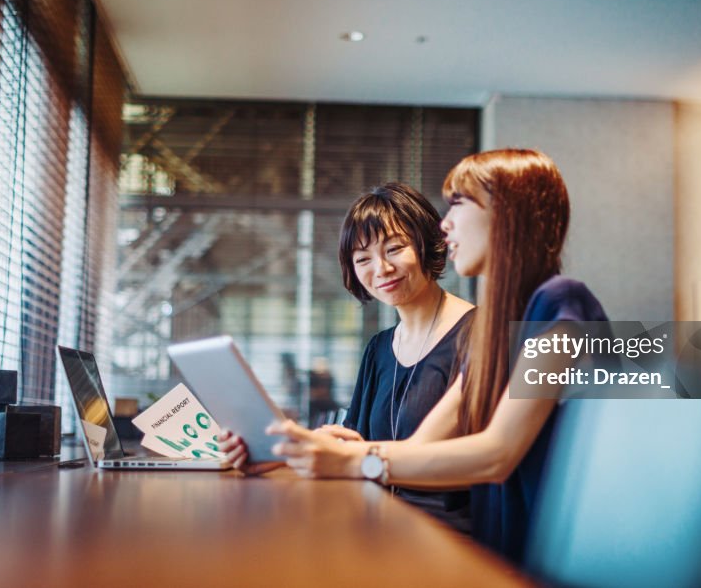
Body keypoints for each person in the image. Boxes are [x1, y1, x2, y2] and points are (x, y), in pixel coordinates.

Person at [221, 149, 609, 563]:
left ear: (508, 212)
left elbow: (497, 455)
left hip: (524, 559)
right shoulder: (505, 328)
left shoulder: (561, 304)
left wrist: (353, 462)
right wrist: (287, 453)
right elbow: (419, 446)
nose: (445, 224)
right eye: (363, 258)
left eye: (459, 203)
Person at [224, 182, 475, 531]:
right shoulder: (378, 349)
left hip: (444, 531)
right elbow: (352, 444)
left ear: (425, 243)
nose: (381, 269)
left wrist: (357, 457)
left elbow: (482, 456)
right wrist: (274, 454)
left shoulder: (482, 335)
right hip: (377, 520)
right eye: (363, 259)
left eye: (395, 248)